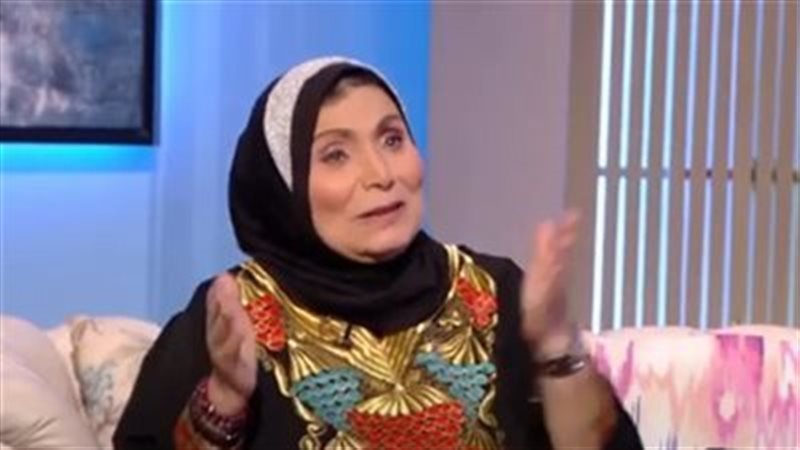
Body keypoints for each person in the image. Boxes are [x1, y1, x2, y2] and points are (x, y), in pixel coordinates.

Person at [114, 57, 642, 450]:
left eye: (391, 140)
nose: (381, 175)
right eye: (336, 155)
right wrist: (225, 398)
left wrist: (555, 343)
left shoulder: (493, 291)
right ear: (285, 187)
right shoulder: (236, 314)